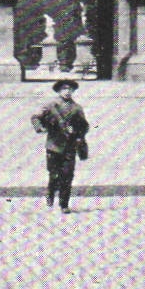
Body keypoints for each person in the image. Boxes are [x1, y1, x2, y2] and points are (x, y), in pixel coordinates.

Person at [31, 79, 90, 213]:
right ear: (58, 91)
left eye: (70, 89)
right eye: (64, 89)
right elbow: (35, 117)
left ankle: (64, 204)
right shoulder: (51, 105)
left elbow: (84, 126)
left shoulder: (77, 108)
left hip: (70, 146)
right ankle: (51, 192)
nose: (67, 92)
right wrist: (40, 128)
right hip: (54, 145)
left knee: (67, 176)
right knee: (54, 175)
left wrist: (76, 132)